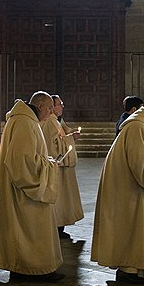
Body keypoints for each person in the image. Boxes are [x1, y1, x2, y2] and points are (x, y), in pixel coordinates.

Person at [92, 98, 144, 284]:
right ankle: (128, 269)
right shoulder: (138, 127)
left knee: (132, 227)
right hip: (127, 190)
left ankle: (133, 268)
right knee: (129, 227)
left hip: (128, 186)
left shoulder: (141, 125)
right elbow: (142, 167)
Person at [0, 91, 64, 282]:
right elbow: (22, 163)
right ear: (40, 106)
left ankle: (27, 266)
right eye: (49, 108)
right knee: (28, 228)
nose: (50, 112)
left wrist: (46, 161)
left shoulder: (27, 120)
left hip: (22, 189)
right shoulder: (24, 122)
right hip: (24, 192)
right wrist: (48, 166)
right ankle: (31, 268)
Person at [41, 95, 83, 240]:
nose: (62, 106)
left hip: (63, 168)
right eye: (60, 104)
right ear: (52, 107)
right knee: (58, 199)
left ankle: (60, 226)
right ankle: (56, 227)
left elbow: (61, 138)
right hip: (57, 167)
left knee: (64, 198)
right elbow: (51, 146)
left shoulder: (57, 121)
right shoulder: (49, 122)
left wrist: (70, 135)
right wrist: (71, 138)